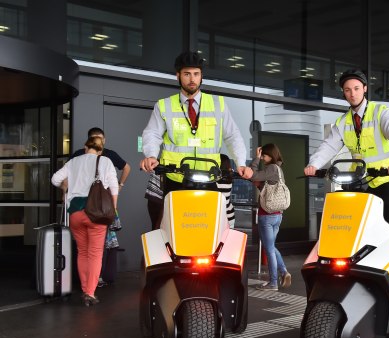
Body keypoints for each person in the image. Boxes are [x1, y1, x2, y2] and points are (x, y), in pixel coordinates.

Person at [303, 69, 389, 231]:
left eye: (356, 88)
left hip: (385, 179)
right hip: (360, 182)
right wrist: (314, 164)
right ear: (344, 93)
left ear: (365, 88)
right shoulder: (343, 122)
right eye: (347, 90)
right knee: (353, 230)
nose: (352, 94)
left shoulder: (380, 113)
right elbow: (329, 145)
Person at [139, 50, 252, 193]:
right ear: (178, 76)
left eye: (196, 74)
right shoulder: (164, 105)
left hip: (209, 177)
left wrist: (240, 163)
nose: (192, 79)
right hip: (175, 178)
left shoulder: (218, 105)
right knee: (171, 215)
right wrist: (151, 155)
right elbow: (152, 134)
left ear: (201, 76)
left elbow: (232, 136)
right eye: (187, 74)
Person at [51, 136, 119, 306]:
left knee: (82, 252)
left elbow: (54, 179)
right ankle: (90, 292)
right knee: (95, 253)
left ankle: (84, 289)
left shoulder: (73, 162)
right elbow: (114, 186)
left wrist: (65, 186)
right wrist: (113, 209)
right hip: (96, 213)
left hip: (75, 213)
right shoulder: (105, 161)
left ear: (85, 147)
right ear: (101, 149)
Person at [70, 127, 130, 287]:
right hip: (83, 204)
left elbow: (126, 167)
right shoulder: (78, 154)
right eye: (95, 138)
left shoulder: (109, 155)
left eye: (101, 138)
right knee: (88, 244)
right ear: (89, 141)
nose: (98, 141)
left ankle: (99, 278)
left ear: (105, 140)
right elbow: (66, 175)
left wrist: (120, 185)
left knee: (105, 241)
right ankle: (90, 282)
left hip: (103, 205)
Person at [250, 143, 291, 291]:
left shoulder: (271, 168)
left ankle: (273, 283)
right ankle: (283, 272)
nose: (262, 158)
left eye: (264, 155)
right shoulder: (278, 169)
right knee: (271, 247)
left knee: (269, 249)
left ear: (270, 155)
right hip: (277, 215)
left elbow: (253, 174)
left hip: (266, 216)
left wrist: (255, 158)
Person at [216, 154, 236, 228]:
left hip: (220, 216)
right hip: (229, 214)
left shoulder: (215, 180)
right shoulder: (228, 179)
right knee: (227, 238)